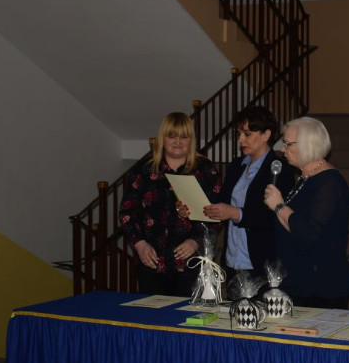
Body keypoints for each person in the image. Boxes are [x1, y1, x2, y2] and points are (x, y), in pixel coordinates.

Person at [119, 112, 222, 297]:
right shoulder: (144, 169)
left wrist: (195, 241)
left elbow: (217, 213)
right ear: (162, 138)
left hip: (192, 263)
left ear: (191, 140)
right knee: (151, 313)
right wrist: (140, 244)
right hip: (151, 261)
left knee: (188, 313)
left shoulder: (206, 169)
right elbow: (127, 211)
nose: (178, 142)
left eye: (184, 137)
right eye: (172, 136)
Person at [263, 116, 349, 308]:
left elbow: (308, 233)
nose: (282, 149)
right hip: (298, 281)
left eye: (288, 144)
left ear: (307, 145)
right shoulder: (305, 178)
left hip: (322, 285)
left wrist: (279, 205)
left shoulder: (330, 182)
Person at [203, 106, 297, 275]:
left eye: (247, 134)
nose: (240, 139)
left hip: (262, 262)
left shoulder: (279, 169)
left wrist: (236, 213)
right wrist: (196, 207)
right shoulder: (236, 166)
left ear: (266, 135)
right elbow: (222, 202)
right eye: (239, 134)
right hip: (232, 259)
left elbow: (275, 217)